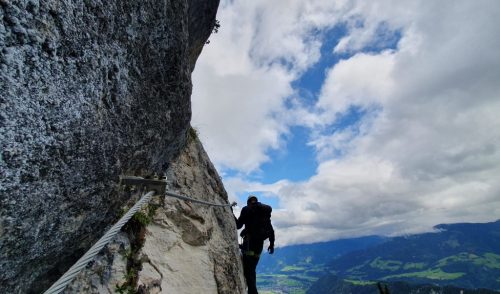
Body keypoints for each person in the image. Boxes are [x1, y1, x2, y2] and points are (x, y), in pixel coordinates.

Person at [235, 195, 275, 294]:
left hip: (249, 245)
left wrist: (230, 212)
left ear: (248, 202)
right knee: (251, 270)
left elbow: (238, 225)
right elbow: (270, 229)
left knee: (249, 273)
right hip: (259, 247)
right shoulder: (263, 212)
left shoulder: (246, 209)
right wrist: (272, 244)